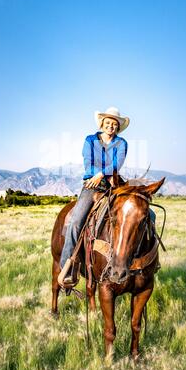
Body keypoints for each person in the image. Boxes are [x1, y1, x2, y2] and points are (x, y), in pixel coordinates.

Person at [59, 106, 130, 287]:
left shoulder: (122, 143)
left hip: (114, 184)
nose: (111, 126)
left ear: (118, 127)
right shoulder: (90, 140)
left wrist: (103, 174)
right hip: (92, 185)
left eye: (114, 124)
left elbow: (117, 164)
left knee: (139, 214)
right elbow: (88, 162)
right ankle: (66, 267)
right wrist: (97, 176)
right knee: (75, 221)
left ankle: (141, 261)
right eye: (108, 123)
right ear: (102, 123)